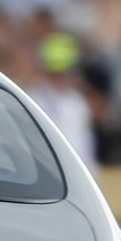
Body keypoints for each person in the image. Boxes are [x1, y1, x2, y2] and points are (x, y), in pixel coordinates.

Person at [23, 31, 96, 170]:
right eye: (55, 74)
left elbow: (85, 150)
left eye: (64, 72)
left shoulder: (78, 104)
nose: (60, 78)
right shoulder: (31, 100)